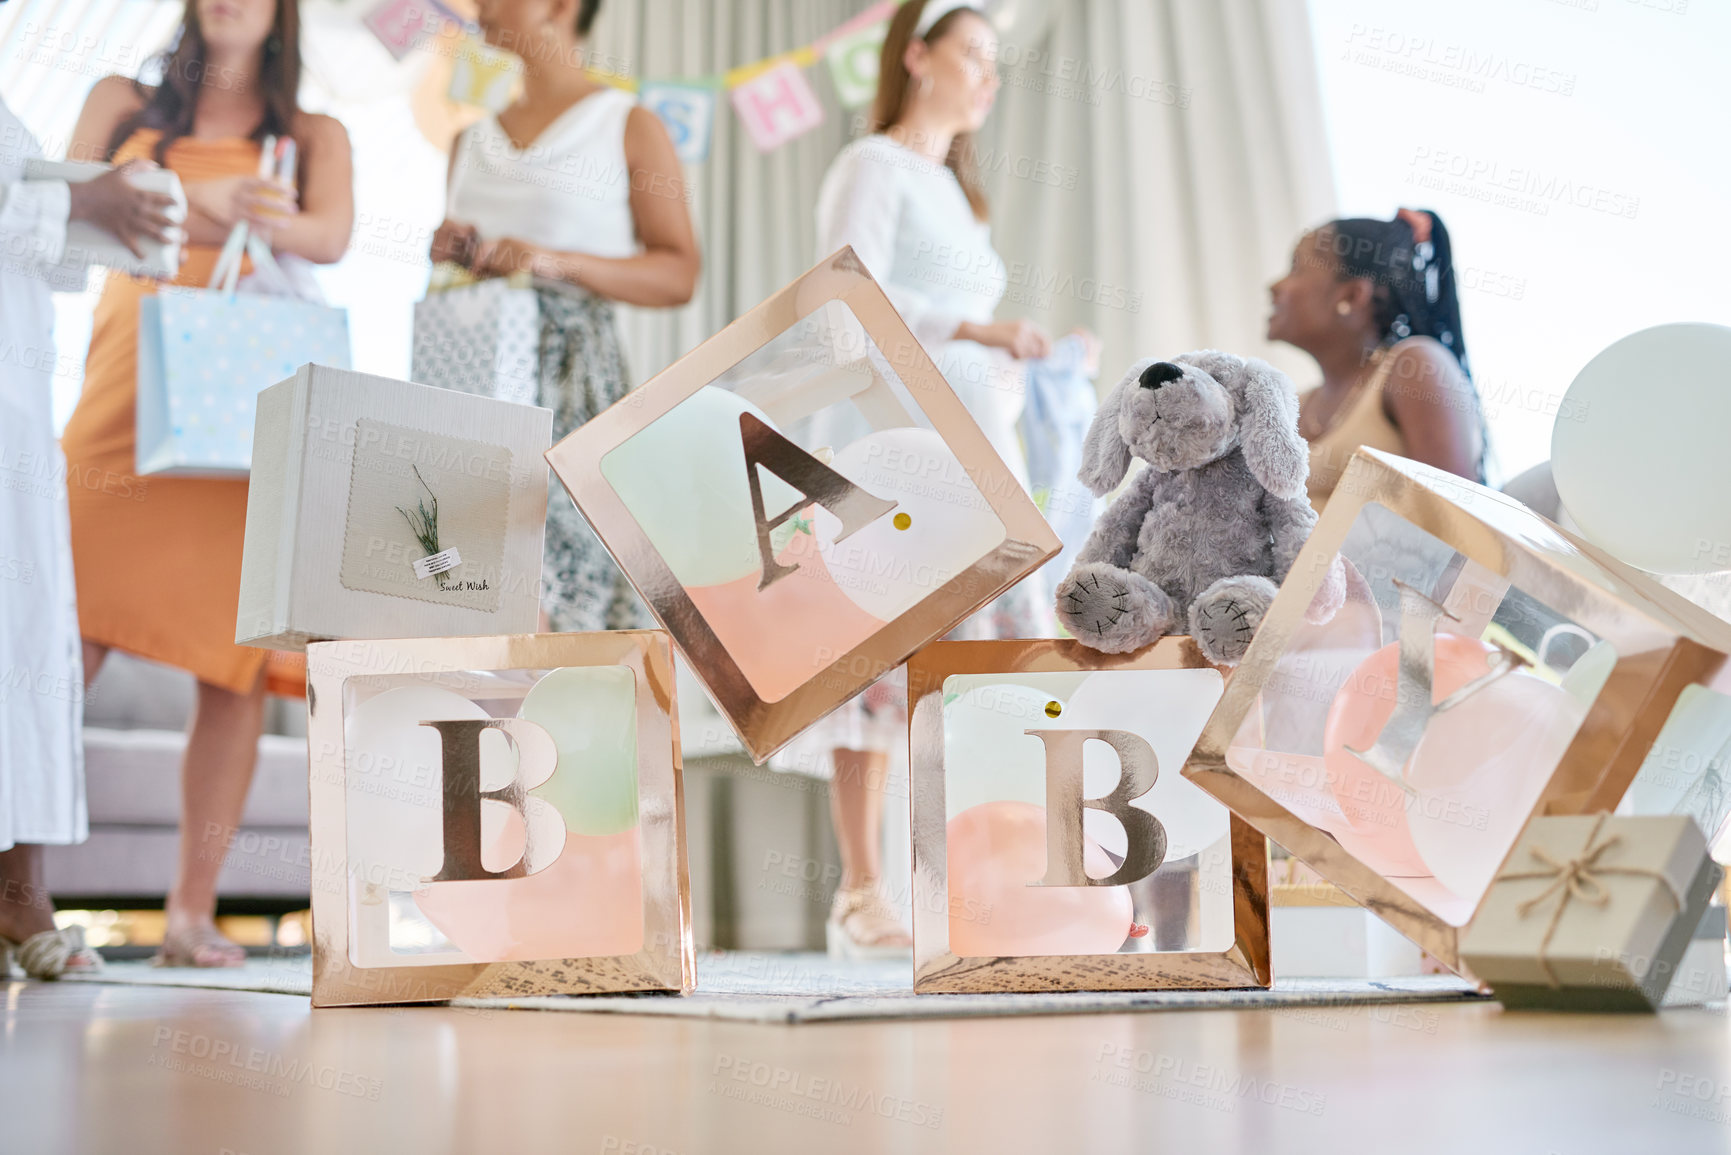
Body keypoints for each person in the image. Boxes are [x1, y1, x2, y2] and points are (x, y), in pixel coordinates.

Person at [60, 0, 353, 966]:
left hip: (236, 418)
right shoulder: (120, 101)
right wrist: (197, 201)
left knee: (229, 671)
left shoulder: (310, 135)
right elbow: (56, 206)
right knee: (57, 645)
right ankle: (21, 894)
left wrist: (245, 214)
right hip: (120, 401)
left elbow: (332, 237)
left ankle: (191, 912)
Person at [798, 0, 1082, 956]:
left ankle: (967, 871)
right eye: (973, 55)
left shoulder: (962, 195)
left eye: (996, 62)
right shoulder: (870, 166)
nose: (987, 77)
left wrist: (1023, 360)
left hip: (971, 441)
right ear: (916, 58)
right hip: (889, 443)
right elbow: (845, 297)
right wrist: (976, 330)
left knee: (969, 655)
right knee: (875, 654)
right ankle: (861, 889)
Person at [429, 0, 699, 632]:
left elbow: (679, 273)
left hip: (572, 391)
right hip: (473, 384)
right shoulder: (468, 138)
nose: (482, 7)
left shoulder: (628, 124)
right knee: (467, 584)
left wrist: (555, 263)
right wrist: (449, 252)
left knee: (569, 600)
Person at [0, 93, 181, 978]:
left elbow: (43, 248)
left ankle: (18, 894)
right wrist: (75, 205)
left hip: (20, 402)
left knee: (26, 639)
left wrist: (110, 220)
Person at [1266, 208, 1485, 511]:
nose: (1275, 286)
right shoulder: (1294, 406)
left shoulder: (1414, 367)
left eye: (1297, 268)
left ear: (1353, 296)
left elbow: (1456, 523)